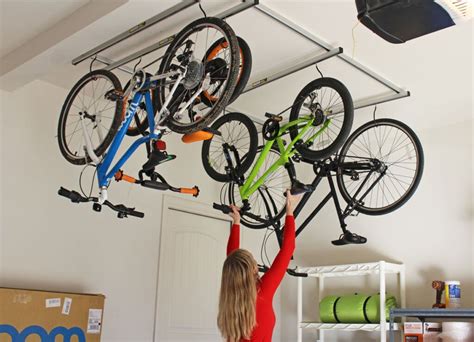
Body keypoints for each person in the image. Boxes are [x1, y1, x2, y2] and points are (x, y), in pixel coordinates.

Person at [217, 191, 299, 342]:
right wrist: (289, 209)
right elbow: (288, 249)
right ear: (252, 270)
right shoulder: (263, 291)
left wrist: (236, 222)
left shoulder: (230, 304)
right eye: (253, 262)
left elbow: (233, 260)